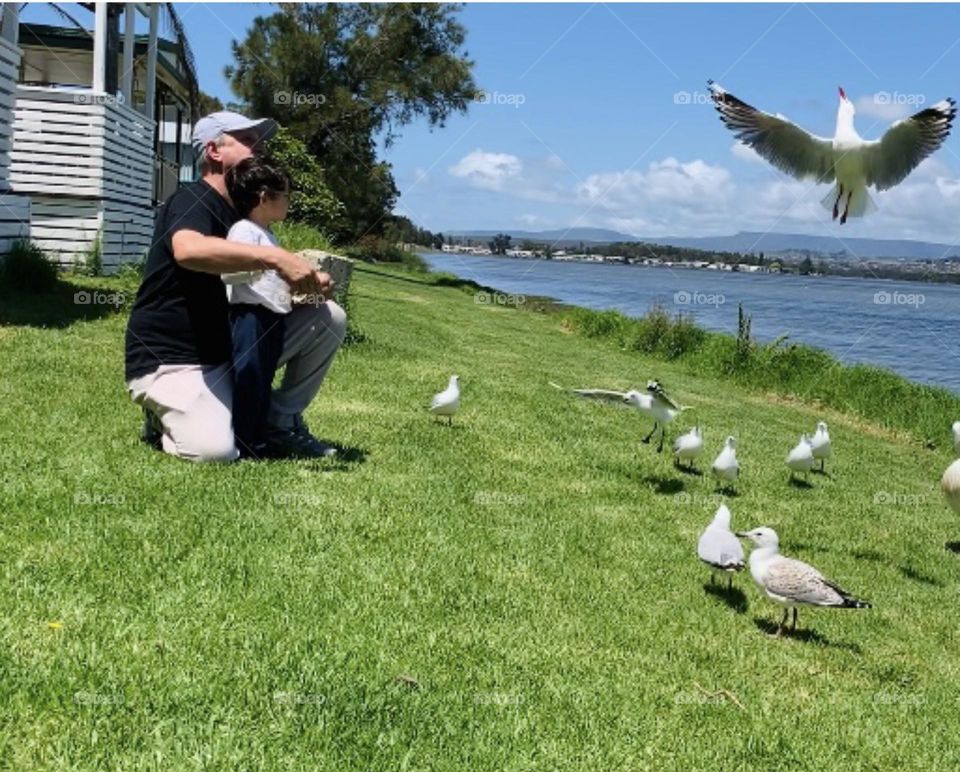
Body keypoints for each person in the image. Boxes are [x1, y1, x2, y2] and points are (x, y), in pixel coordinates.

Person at [124, 111, 347, 462]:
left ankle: (280, 420)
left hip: (224, 352)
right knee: (216, 451)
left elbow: (247, 287)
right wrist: (276, 259)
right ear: (214, 151)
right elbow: (189, 250)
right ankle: (160, 415)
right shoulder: (191, 199)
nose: (259, 148)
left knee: (327, 317)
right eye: (247, 140)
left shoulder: (243, 217)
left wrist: (303, 285)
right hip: (172, 359)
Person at [221, 156, 337, 458]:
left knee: (263, 374)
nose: (289, 201)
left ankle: (259, 436)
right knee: (250, 375)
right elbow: (234, 273)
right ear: (264, 197)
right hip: (250, 316)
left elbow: (273, 285)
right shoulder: (244, 231)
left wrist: (308, 288)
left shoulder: (267, 235)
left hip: (271, 316)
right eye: (285, 195)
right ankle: (245, 441)